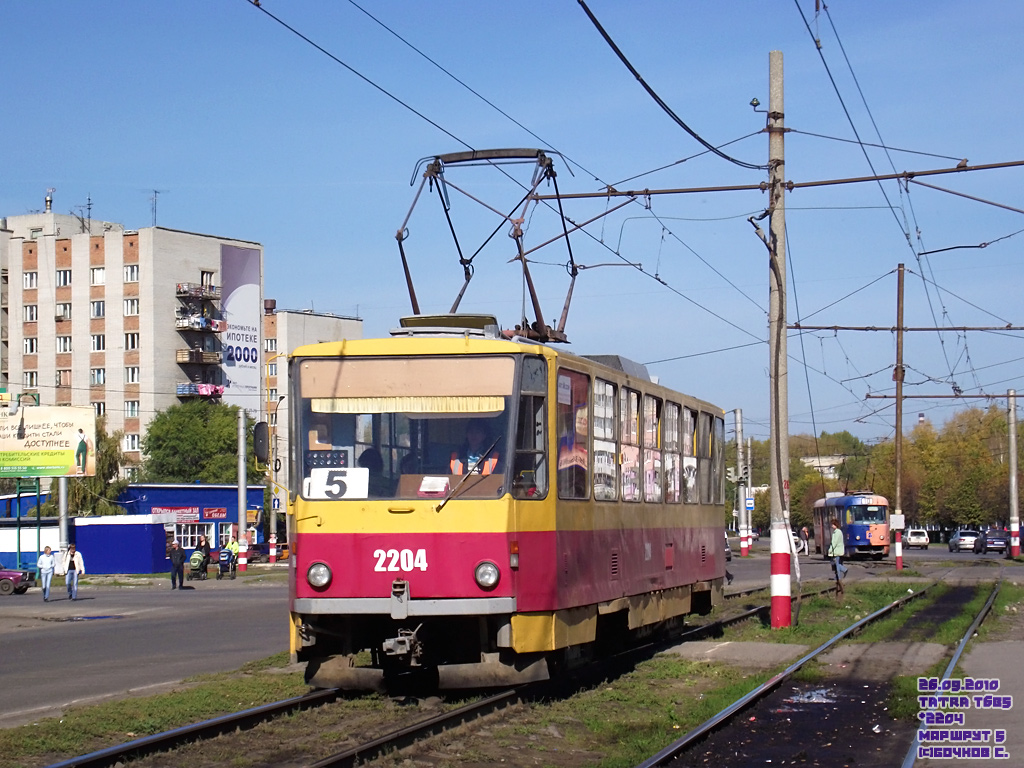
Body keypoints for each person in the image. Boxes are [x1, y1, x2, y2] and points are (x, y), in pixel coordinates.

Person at [827, 519, 847, 593]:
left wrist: (830, 550)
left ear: (836, 525)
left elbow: (834, 543)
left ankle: (840, 575)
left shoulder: (836, 532)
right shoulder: (839, 532)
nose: (832, 526)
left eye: (833, 524)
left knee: (836, 564)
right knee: (836, 563)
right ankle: (838, 576)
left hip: (836, 551)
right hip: (838, 550)